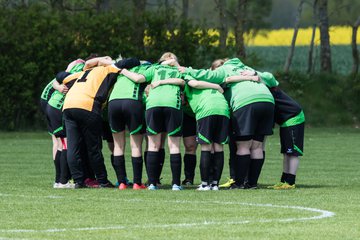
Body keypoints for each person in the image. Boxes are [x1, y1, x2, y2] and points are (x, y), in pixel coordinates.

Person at [183, 58, 275, 189]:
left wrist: (186, 69)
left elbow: (206, 75)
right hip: (268, 101)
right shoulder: (247, 69)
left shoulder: (224, 70)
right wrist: (255, 75)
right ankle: (252, 183)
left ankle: (239, 183)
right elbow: (272, 79)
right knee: (257, 146)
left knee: (243, 145)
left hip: (246, 102)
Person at [55, 56, 140, 188]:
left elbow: (60, 75)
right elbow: (132, 61)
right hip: (88, 106)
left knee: (72, 146)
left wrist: (96, 60)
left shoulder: (80, 74)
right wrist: (109, 61)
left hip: (68, 107)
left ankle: (79, 181)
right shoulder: (106, 70)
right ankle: (102, 180)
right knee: (93, 147)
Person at [142, 52, 185, 190]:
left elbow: (140, 78)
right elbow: (185, 80)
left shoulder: (154, 68)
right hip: (172, 103)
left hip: (153, 104)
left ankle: (152, 184)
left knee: (153, 146)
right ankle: (176, 184)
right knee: (174, 146)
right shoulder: (180, 69)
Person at [108, 61, 152, 190]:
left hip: (113, 103)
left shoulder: (121, 71)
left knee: (118, 145)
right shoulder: (146, 70)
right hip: (131, 102)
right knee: (136, 145)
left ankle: (122, 182)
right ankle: (137, 183)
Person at [256, 72, 305, 189]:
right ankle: (284, 181)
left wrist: (253, 73)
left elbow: (267, 76)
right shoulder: (264, 93)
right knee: (286, 152)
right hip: (286, 121)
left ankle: (290, 182)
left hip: (294, 118)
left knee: (292, 152)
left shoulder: (270, 87)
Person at [183, 77, 230, 190]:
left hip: (207, 110)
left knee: (206, 147)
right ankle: (215, 184)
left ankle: (205, 184)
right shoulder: (211, 81)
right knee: (218, 147)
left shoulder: (188, 81)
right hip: (223, 109)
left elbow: (193, 84)